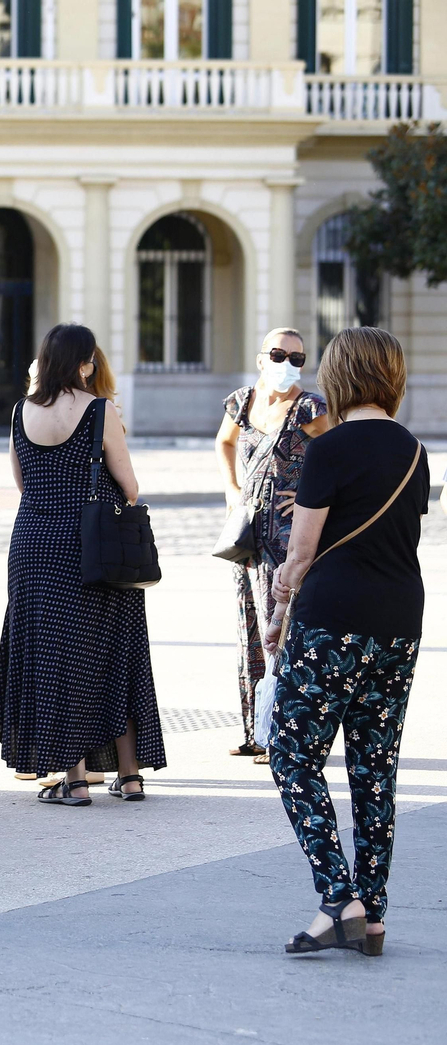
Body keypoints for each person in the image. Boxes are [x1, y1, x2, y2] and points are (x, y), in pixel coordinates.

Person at [263, 327, 428, 957]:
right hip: (399, 622)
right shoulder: (415, 452)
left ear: (342, 374)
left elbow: (300, 554)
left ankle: (339, 897)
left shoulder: (327, 450)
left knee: (292, 753)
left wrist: (277, 612)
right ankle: (374, 915)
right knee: (374, 768)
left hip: (332, 619)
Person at [0, 323, 166, 805]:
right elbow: (129, 487)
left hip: (35, 545)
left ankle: (76, 778)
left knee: (53, 657)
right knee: (116, 652)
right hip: (95, 546)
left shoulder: (21, 411)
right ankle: (129, 776)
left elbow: (22, 483)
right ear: (85, 362)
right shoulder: (101, 411)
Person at [215, 328, 331, 763]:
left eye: (297, 358)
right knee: (249, 625)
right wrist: (230, 489)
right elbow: (224, 441)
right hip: (245, 533)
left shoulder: (310, 407)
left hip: (286, 536)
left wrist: (305, 493)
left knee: (279, 630)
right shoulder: (242, 401)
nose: (287, 364)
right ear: (261, 357)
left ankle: (281, 732)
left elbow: (336, 454)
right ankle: (255, 729)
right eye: (280, 354)